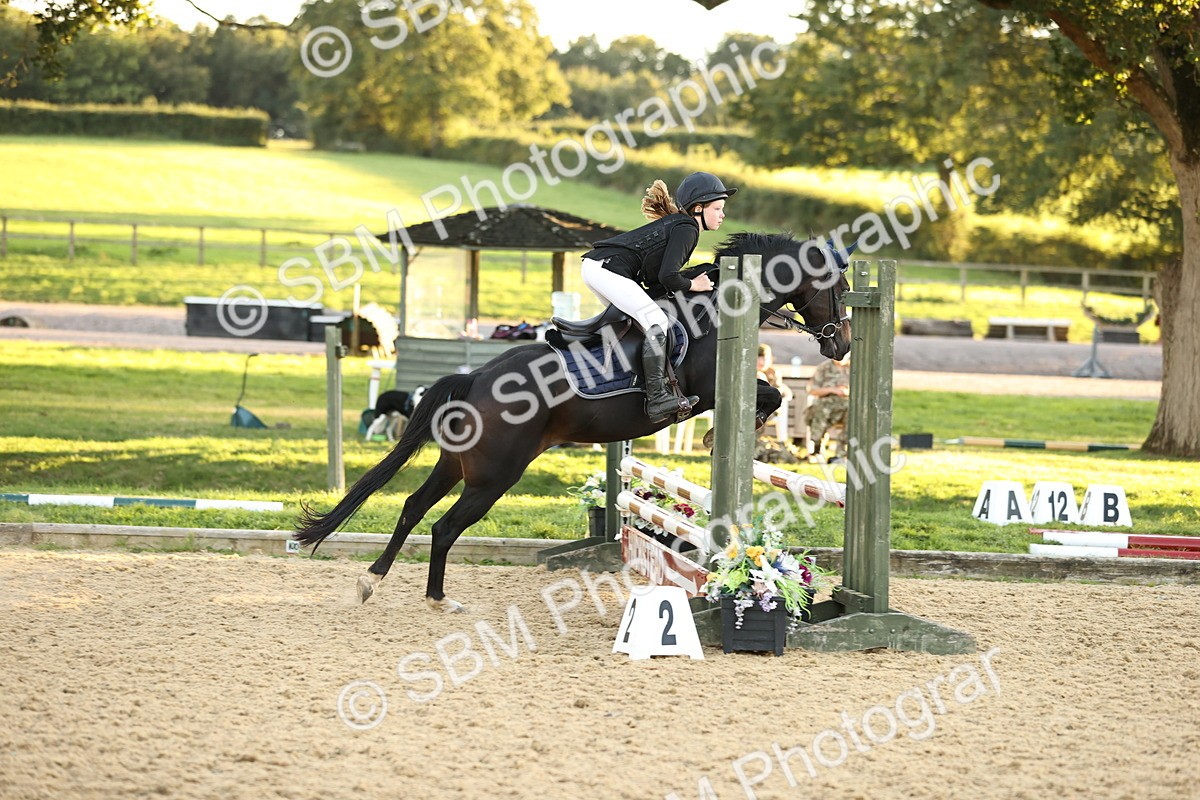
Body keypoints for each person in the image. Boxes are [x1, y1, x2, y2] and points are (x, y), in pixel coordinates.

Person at [580, 172, 736, 422]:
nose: (722, 214)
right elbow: (668, 277)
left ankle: (628, 385)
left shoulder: (679, 226)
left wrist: (688, 280)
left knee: (640, 322)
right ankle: (657, 398)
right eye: (717, 208)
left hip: (598, 268)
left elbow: (656, 283)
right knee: (657, 322)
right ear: (698, 209)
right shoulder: (687, 228)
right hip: (607, 268)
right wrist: (694, 285)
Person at [805, 354, 850, 460]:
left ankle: (841, 453)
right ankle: (816, 448)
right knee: (820, 411)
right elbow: (812, 390)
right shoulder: (823, 368)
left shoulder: (854, 368)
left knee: (853, 413)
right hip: (825, 404)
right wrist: (832, 390)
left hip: (846, 404)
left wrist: (845, 392)